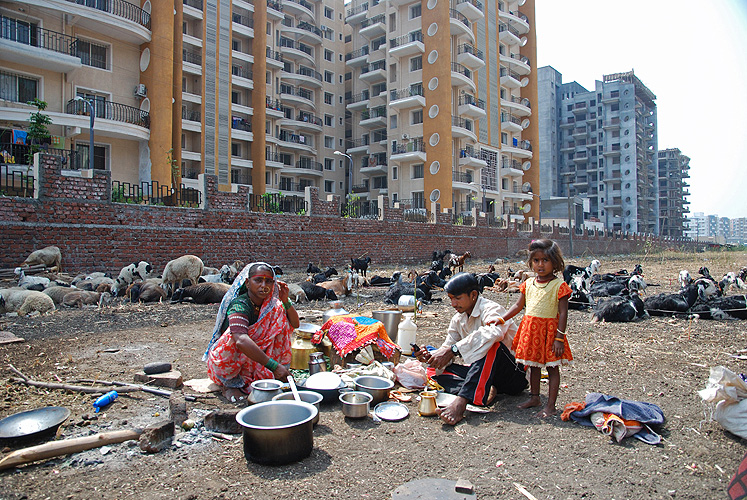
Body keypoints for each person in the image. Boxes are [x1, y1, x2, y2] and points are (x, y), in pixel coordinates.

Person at [414, 272, 528, 425]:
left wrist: (453, 350)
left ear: (473, 295)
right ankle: (485, 390)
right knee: (436, 376)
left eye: (458, 298)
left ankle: (462, 401)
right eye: (451, 299)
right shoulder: (458, 319)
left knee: (491, 344)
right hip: (484, 374)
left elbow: (494, 333)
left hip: (512, 376)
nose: (453, 304)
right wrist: (432, 357)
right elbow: (448, 347)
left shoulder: (491, 309)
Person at [203, 262, 300, 403]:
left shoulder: (272, 304)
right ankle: (229, 384)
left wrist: (285, 300)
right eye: (258, 280)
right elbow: (241, 340)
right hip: (233, 359)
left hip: (257, 358)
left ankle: (257, 375)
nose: (264, 285)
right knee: (236, 339)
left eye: (268, 281)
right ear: (248, 283)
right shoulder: (240, 305)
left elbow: (295, 324)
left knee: (281, 325)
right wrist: (274, 366)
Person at [499, 239, 573, 418]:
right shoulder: (528, 284)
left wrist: (559, 338)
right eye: (536, 260)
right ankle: (534, 398)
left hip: (550, 333)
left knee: (552, 368)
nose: (541, 265)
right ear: (531, 262)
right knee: (533, 365)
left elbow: (563, 314)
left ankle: (551, 406)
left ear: (555, 262)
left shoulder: (559, 286)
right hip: (530, 332)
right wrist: (502, 319)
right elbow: (518, 306)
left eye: (545, 260)